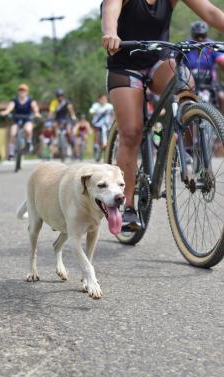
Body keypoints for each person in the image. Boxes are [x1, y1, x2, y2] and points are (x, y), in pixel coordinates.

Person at [101, 0, 224, 231]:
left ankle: (182, 137)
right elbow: (110, 9)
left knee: (184, 82)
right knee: (131, 133)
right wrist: (110, 33)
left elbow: (210, 11)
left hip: (159, 61)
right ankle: (127, 205)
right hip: (124, 63)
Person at [185, 20, 224, 112]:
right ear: (192, 35)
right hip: (190, 83)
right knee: (181, 101)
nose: (200, 39)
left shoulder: (212, 45)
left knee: (222, 97)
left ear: (206, 34)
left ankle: (219, 122)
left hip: (210, 83)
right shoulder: (186, 45)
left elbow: (221, 60)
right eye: (197, 36)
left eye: (203, 36)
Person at [0, 84, 41, 160]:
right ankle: (11, 153)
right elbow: (10, 106)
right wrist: (6, 111)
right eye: (20, 90)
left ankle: (29, 143)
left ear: (27, 92)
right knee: (12, 133)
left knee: (28, 129)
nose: (22, 92)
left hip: (27, 119)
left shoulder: (30, 100)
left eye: (24, 90)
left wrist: (37, 113)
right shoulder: (15, 100)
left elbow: (34, 107)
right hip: (17, 120)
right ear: (18, 92)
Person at [89, 94, 114, 161]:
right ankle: (96, 147)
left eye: (105, 99)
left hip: (107, 125)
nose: (103, 100)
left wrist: (112, 121)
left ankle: (106, 148)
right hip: (97, 124)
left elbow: (113, 114)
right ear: (99, 100)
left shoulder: (109, 106)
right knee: (96, 136)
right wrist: (92, 112)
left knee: (109, 138)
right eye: (102, 99)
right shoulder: (96, 106)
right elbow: (91, 111)